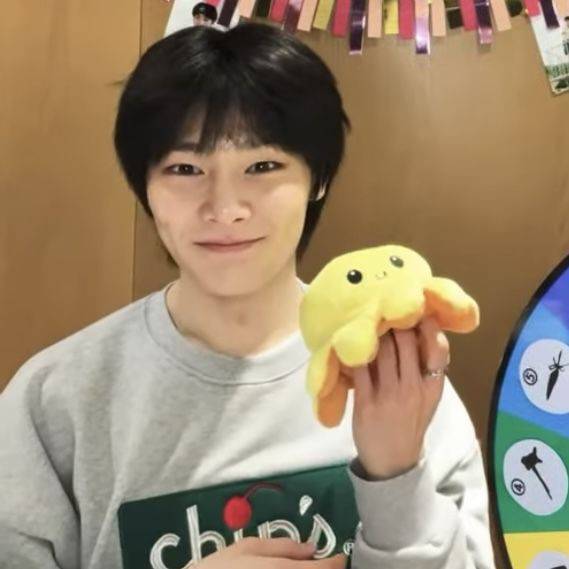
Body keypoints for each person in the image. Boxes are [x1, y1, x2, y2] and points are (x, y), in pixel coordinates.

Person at [0, 22, 496, 569]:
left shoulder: (399, 377)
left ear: (318, 178)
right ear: (145, 187)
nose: (226, 208)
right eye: (185, 169)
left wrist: (396, 476)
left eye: (262, 166)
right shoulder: (57, 403)